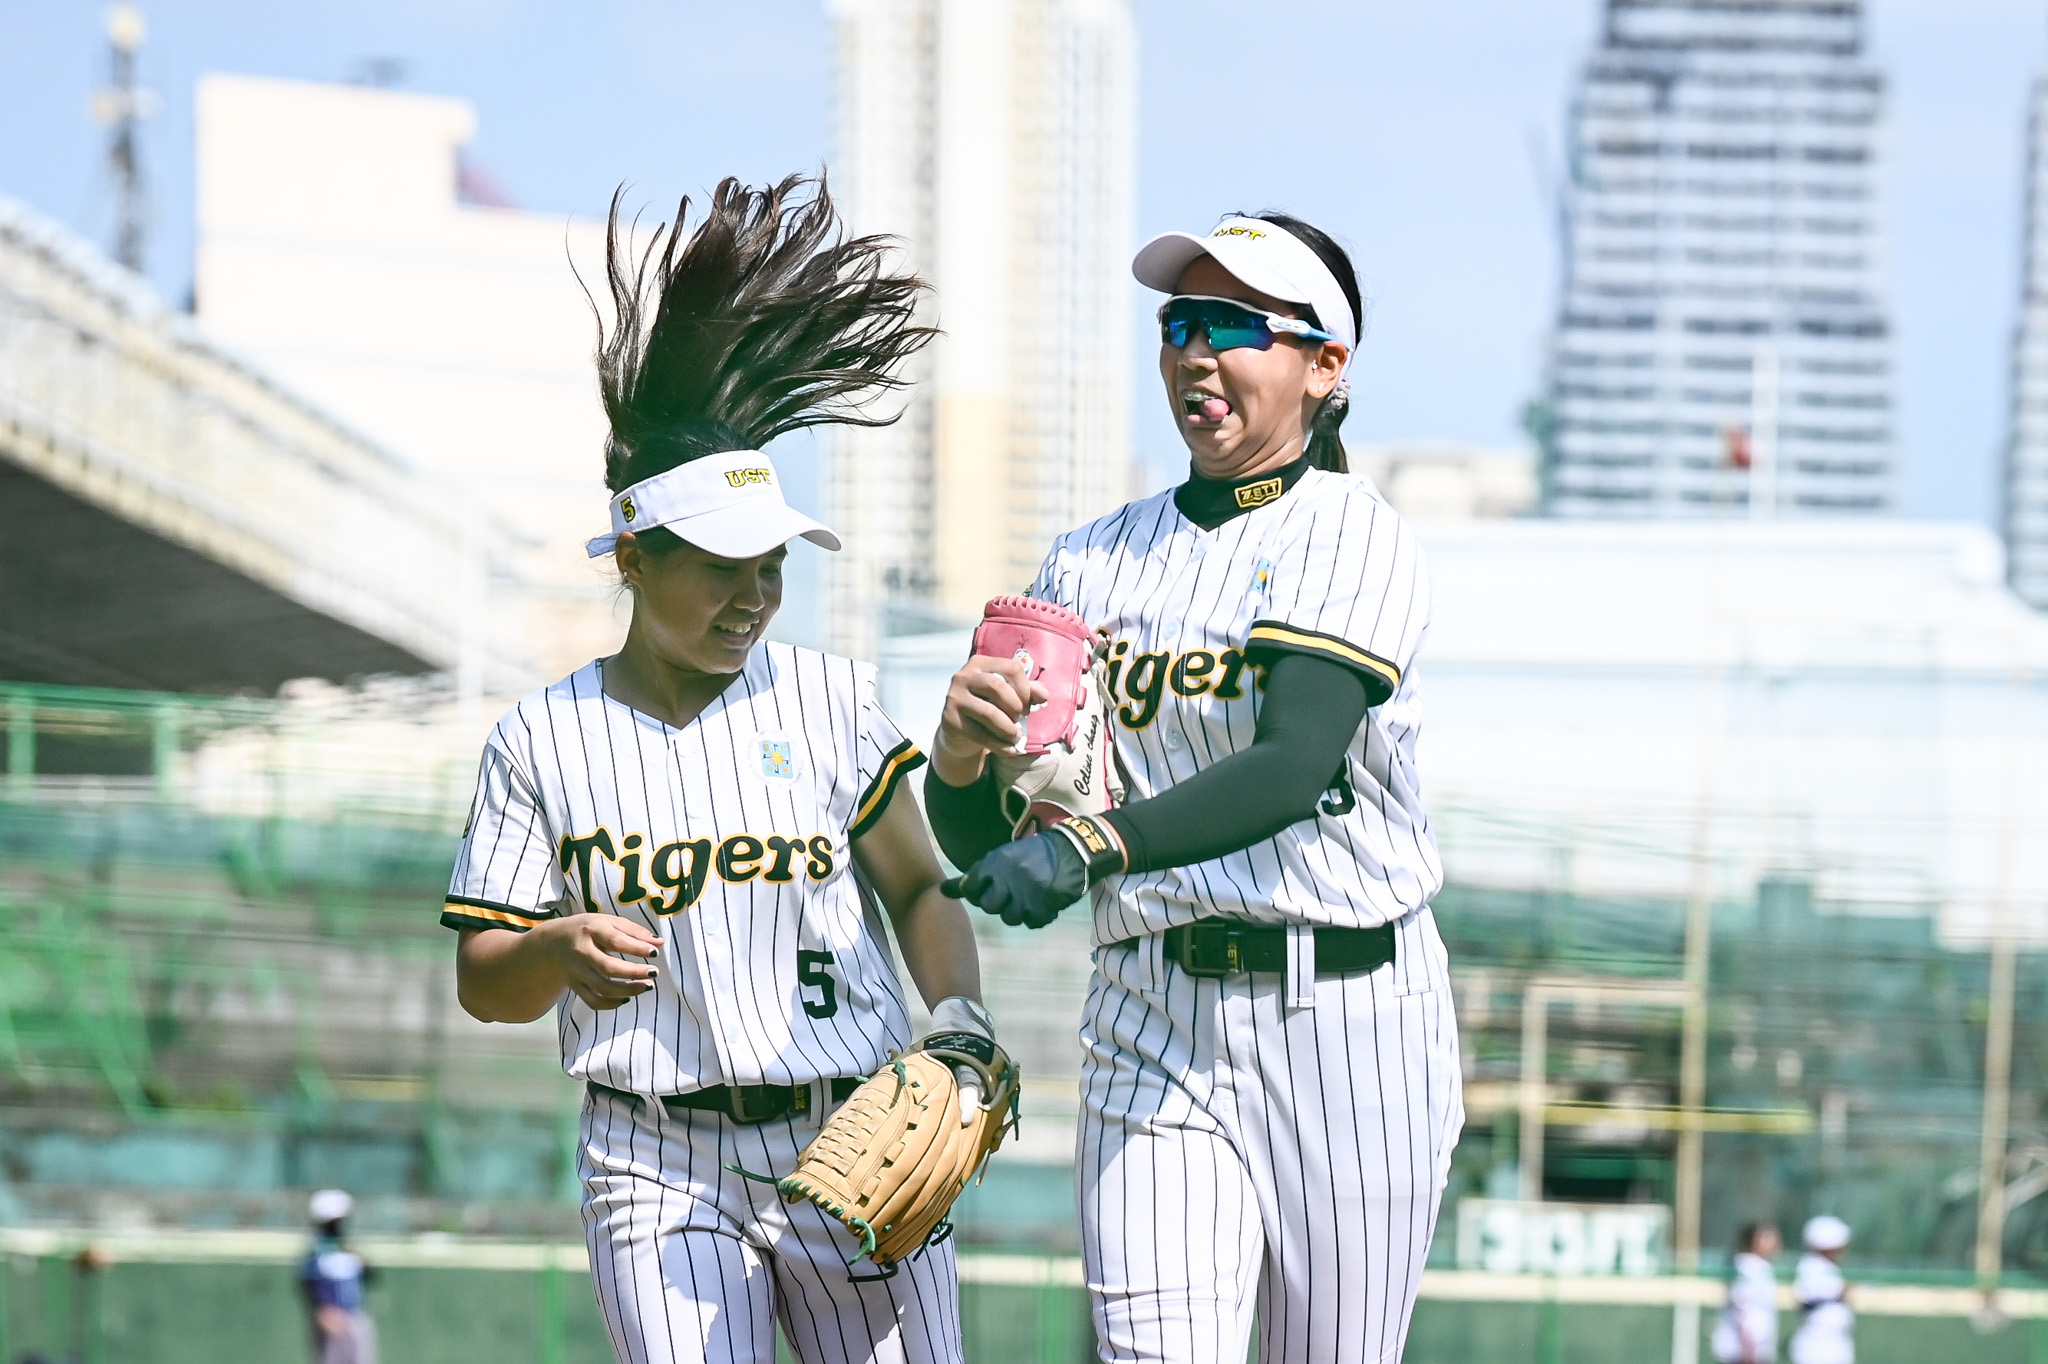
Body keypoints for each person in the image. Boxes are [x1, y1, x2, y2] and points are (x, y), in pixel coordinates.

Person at [446, 176, 993, 1364]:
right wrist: (553, 947)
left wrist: (959, 1022)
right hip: (653, 1156)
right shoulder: (539, 738)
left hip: (849, 1133)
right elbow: (483, 979)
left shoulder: (829, 699)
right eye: (720, 565)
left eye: (771, 566)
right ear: (633, 557)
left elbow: (917, 885)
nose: (752, 594)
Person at [926, 212, 1464, 1364]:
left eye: (1232, 325)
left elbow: (1291, 761)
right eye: (1178, 324)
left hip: (1346, 1010)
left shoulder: (1350, 533)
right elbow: (999, 841)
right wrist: (961, 756)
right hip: (1148, 1007)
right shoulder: (1086, 560)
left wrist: (1087, 848)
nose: (1194, 352)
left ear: (1324, 364)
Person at [300, 1189, 377, 1364]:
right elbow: (308, 1284)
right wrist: (323, 1311)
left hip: (354, 1314)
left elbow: (369, 1276)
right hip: (332, 1318)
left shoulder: (348, 1249)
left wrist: (361, 1261)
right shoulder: (317, 1251)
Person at [1711, 1222, 1782, 1364]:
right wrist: (1749, 1349)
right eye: (1766, 1238)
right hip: (1744, 1351)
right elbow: (1743, 1310)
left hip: (1754, 1349)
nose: (1773, 1243)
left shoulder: (1761, 1268)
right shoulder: (1747, 1267)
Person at [1790, 1215, 1854, 1364]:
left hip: (1834, 1343)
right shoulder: (1810, 1266)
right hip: (1818, 1344)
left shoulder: (1829, 1268)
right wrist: (1838, 1293)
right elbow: (1805, 1298)